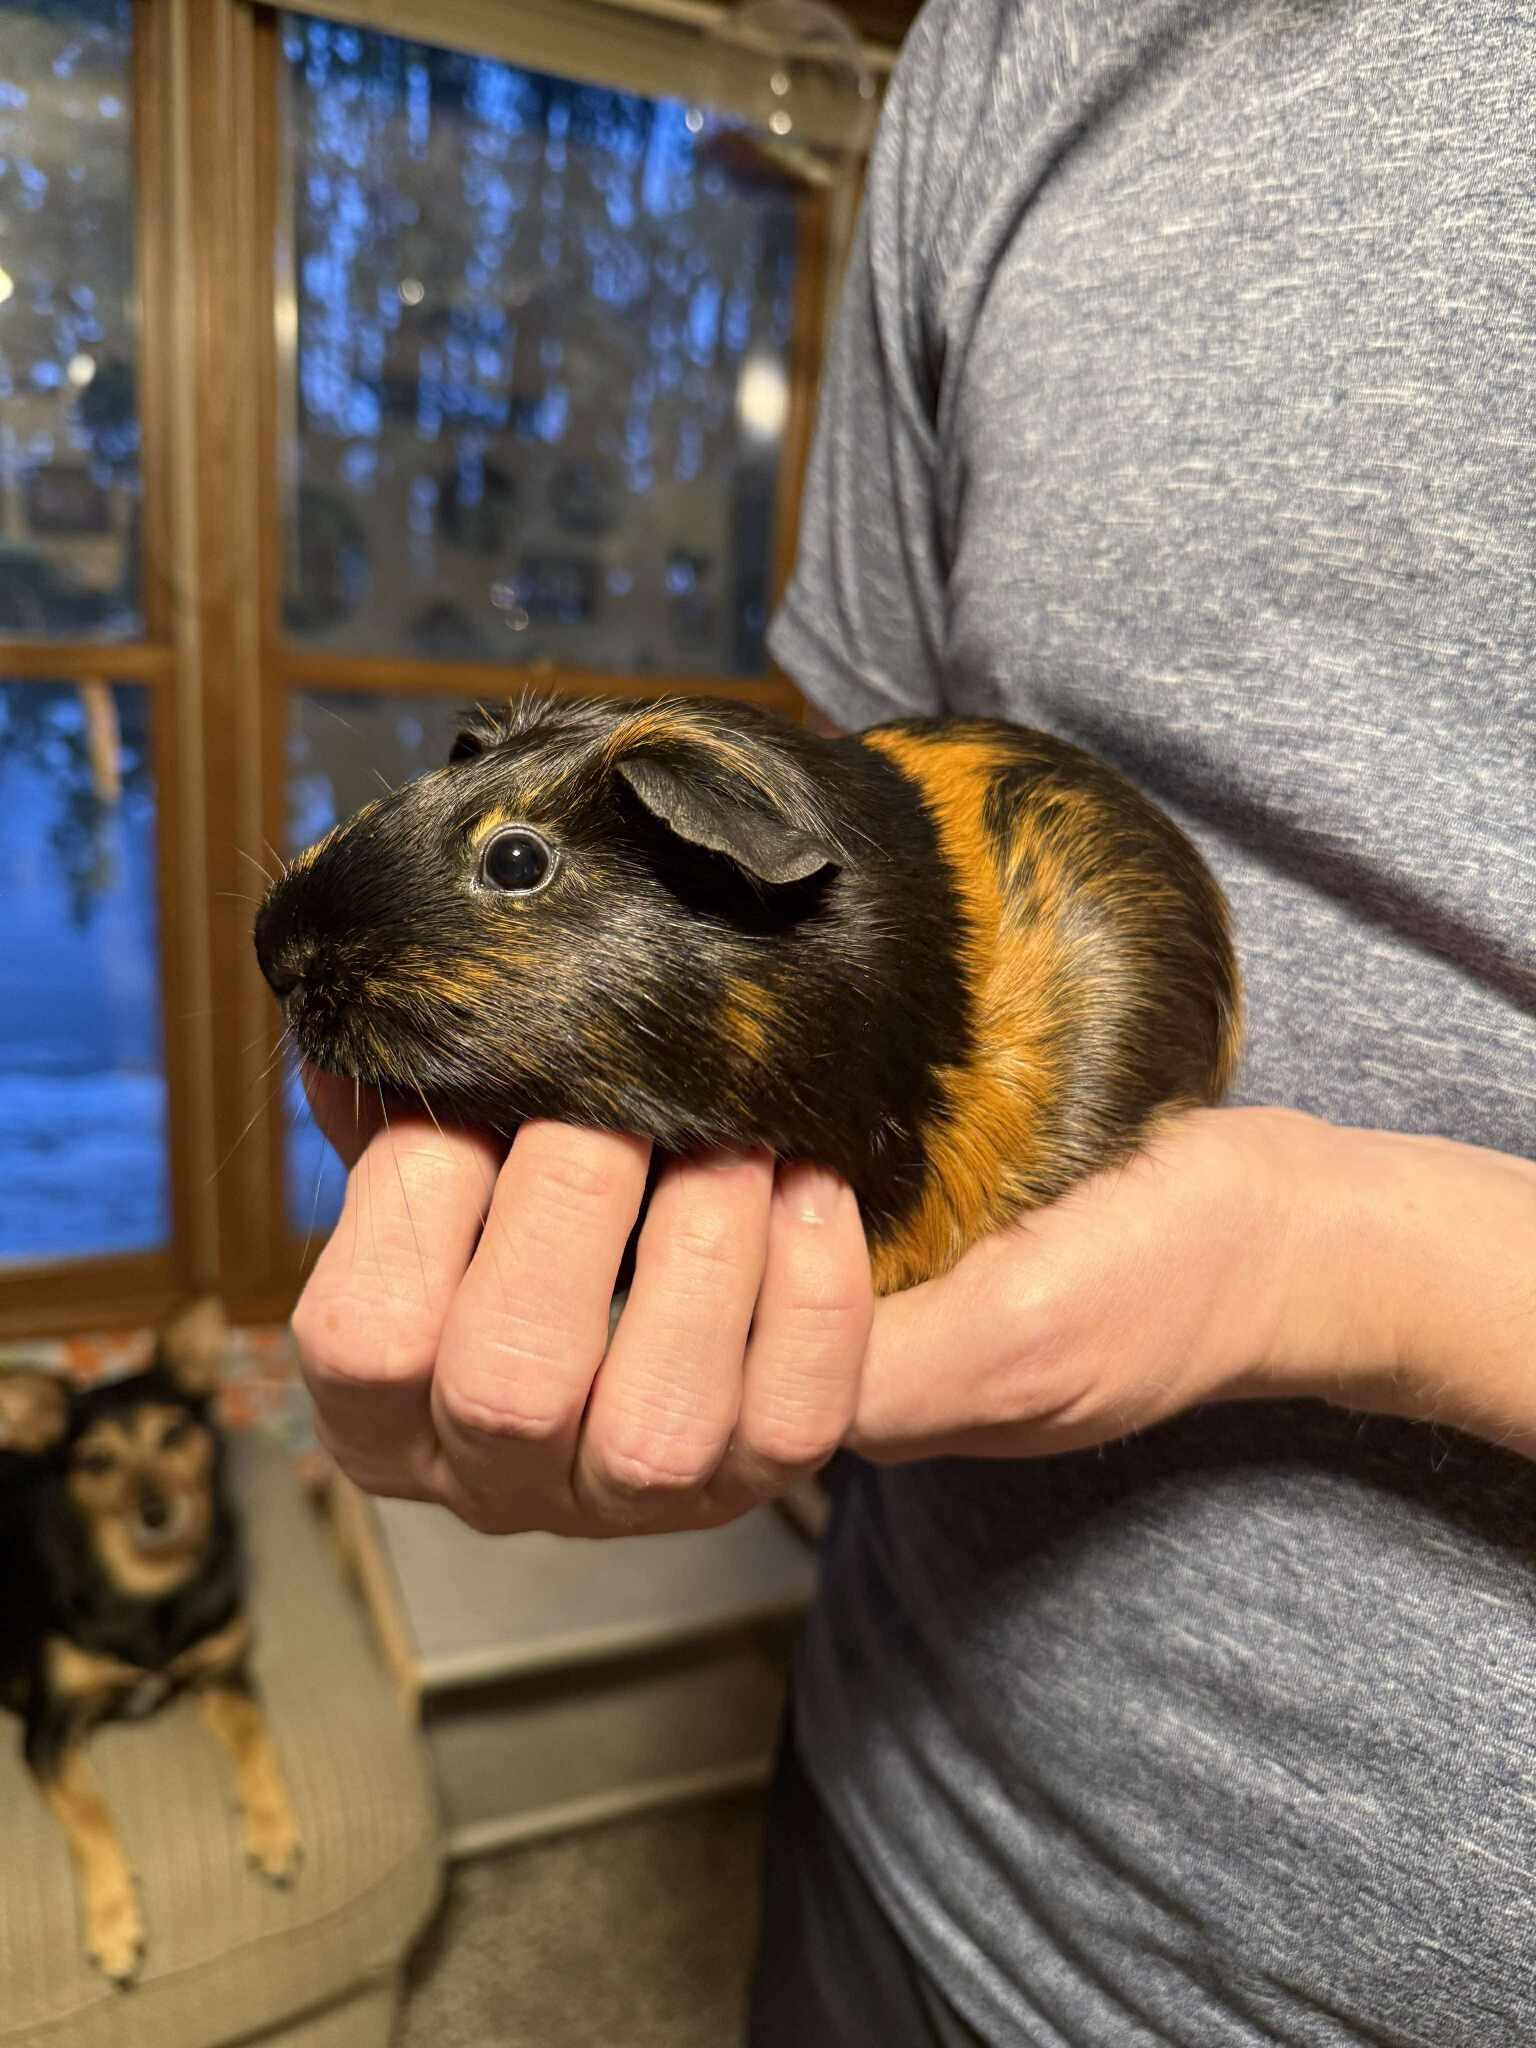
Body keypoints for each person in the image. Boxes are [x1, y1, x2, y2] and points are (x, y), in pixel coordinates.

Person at [293, 1, 1536, 2039]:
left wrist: (1340, 1256)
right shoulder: (1011, 41)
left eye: (512, 871)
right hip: (906, 1788)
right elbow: (833, 746)